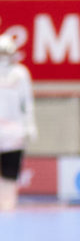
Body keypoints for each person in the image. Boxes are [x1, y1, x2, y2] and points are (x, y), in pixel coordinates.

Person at [0, 35, 36, 213]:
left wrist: (30, 126)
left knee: (10, 172)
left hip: (14, 131)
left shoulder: (21, 74)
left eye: (7, 53)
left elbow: (27, 103)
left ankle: (8, 205)